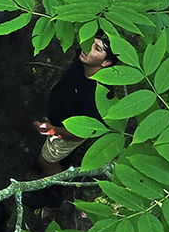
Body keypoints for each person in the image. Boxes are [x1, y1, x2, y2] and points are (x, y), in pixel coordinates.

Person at [34, 32, 118, 176]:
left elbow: (79, 134)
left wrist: (52, 130)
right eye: (91, 43)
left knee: (46, 162)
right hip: (59, 119)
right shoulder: (82, 59)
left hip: (65, 133)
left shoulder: (99, 96)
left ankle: (53, 189)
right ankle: (63, 162)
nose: (87, 48)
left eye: (97, 49)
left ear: (106, 63)